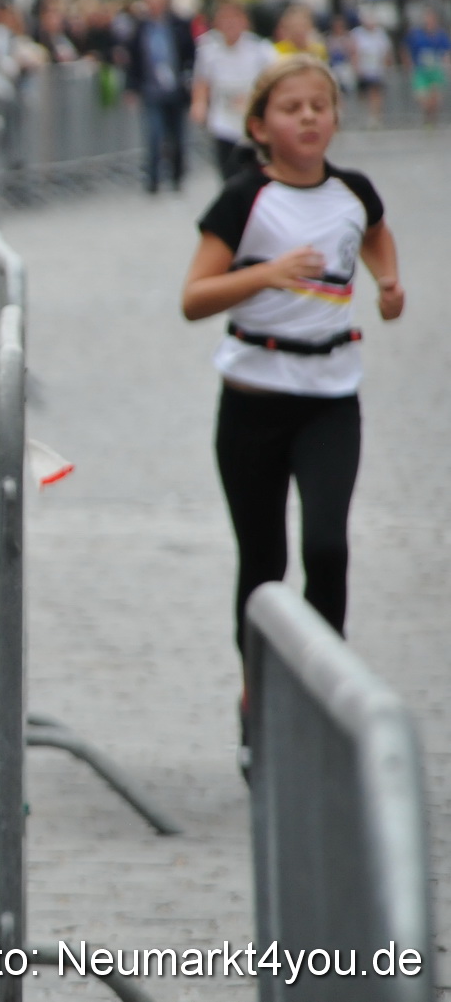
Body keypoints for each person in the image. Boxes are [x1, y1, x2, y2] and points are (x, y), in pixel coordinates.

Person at [179, 55, 404, 771]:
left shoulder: (352, 192)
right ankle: (259, 699)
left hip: (331, 399)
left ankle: (326, 697)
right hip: (252, 401)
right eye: (290, 108)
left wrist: (387, 279)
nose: (308, 117)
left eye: (319, 106)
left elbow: (373, 231)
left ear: (335, 118)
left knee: (328, 548)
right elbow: (192, 297)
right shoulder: (243, 200)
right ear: (258, 127)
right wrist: (266, 274)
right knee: (265, 562)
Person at [192, 0, 276, 179]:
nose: (230, 24)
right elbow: (202, 80)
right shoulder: (209, 49)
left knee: (254, 174)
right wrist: (199, 104)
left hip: (251, 120)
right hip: (223, 118)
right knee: (229, 174)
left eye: (234, 18)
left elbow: (273, 82)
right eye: (224, 19)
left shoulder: (260, 50)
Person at [127, 0, 195, 193]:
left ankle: (176, 175)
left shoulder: (178, 25)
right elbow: (134, 60)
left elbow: (190, 53)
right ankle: (153, 179)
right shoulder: (141, 27)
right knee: (154, 134)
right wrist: (131, 87)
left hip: (176, 88)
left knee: (176, 136)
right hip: (151, 89)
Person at [403, 7, 450, 127]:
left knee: (435, 98)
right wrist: (408, 63)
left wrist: (446, 63)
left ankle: (432, 120)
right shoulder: (416, 35)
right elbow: (406, 49)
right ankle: (426, 115)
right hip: (421, 69)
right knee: (423, 98)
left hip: (435, 69)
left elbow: (446, 52)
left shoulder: (441, 35)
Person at [349, 11, 392, 128]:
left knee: (375, 93)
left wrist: (386, 67)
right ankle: (363, 115)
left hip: (376, 70)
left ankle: (375, 117)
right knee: (362, 94)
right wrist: (355, 67)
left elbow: (386, 52)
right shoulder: (357, 33)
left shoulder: (380, 34)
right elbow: (353, 51)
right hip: (363, 69)